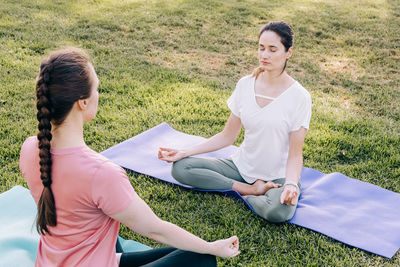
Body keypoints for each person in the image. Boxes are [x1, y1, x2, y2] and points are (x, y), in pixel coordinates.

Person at [19, 48, 239, 267]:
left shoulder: (30, 148)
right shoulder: (102, 173)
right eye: (97, 89)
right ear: (82, 102)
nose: (98, 94)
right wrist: (213, 247)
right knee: (202, 258)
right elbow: (155, 229)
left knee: (183, 248)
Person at [158, 21, 312, 223]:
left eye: (273, 50)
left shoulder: (299, 97)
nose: (264, 55)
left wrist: (291, 184)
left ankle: (256, 193)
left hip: (278, 176)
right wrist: (185, 152)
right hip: (241, 168)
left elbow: (295, 154)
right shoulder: (245, 84)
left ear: (288, 52)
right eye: (261, 48)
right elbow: (227, 136)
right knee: (181, 168)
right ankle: (250, 191)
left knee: (278, 212)